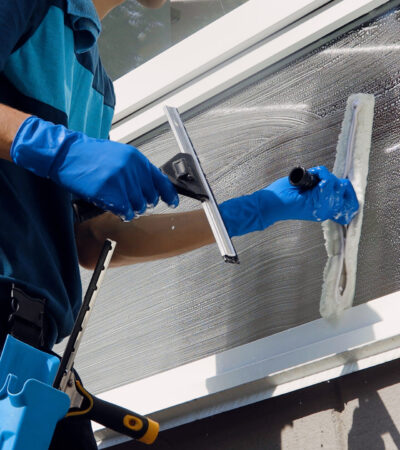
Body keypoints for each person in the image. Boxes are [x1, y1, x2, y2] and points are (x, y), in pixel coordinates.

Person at [0, 0, 359, 447]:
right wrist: (59, 150)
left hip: (31, 357)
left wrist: (256, 209)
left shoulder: (95, 85)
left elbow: (92, 239)